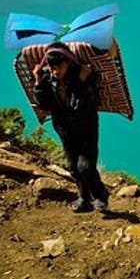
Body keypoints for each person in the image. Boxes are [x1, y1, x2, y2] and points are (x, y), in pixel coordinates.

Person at [32, 42, 108, 213]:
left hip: (86, 127)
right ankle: (84, 198)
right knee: (73, 166)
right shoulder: (47, 79)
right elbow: (43, 104)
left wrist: (81, 82)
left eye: (59, 67)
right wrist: (38, 83)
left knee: (86, 166)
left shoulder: (84, 76)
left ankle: (100, 194)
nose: (55, 72)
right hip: (64, 129)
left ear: (67, 63)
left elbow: (83, 106)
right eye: (52, 68)